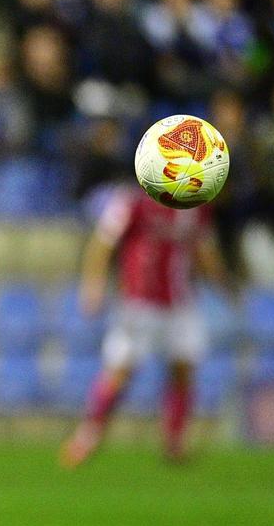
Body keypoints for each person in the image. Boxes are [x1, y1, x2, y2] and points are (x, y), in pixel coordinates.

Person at [60, 185, 232, 468]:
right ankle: (89, 435)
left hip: (181, 302)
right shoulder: (131, 201)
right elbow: (102, 244)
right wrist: (93, 284)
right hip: (138, 303)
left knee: (184, 368)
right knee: (120, 372)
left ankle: (174, 441)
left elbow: (203, 250)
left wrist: (222, 282)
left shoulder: (197, 207)